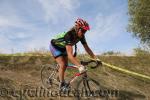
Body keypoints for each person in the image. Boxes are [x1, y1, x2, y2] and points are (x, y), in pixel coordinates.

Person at [49, 18, 100, 91]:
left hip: (64, 48)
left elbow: (87, 48)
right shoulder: (69, 35)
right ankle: (62, 84)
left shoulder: (81, 36)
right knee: (63, 65)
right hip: (55, 47)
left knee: (65, 65)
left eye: (85, 31)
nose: (83, 33)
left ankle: (60, 77)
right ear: (77, 28)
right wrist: (79, 66)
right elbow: (70, 55)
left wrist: (96, 58)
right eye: (82, 30)